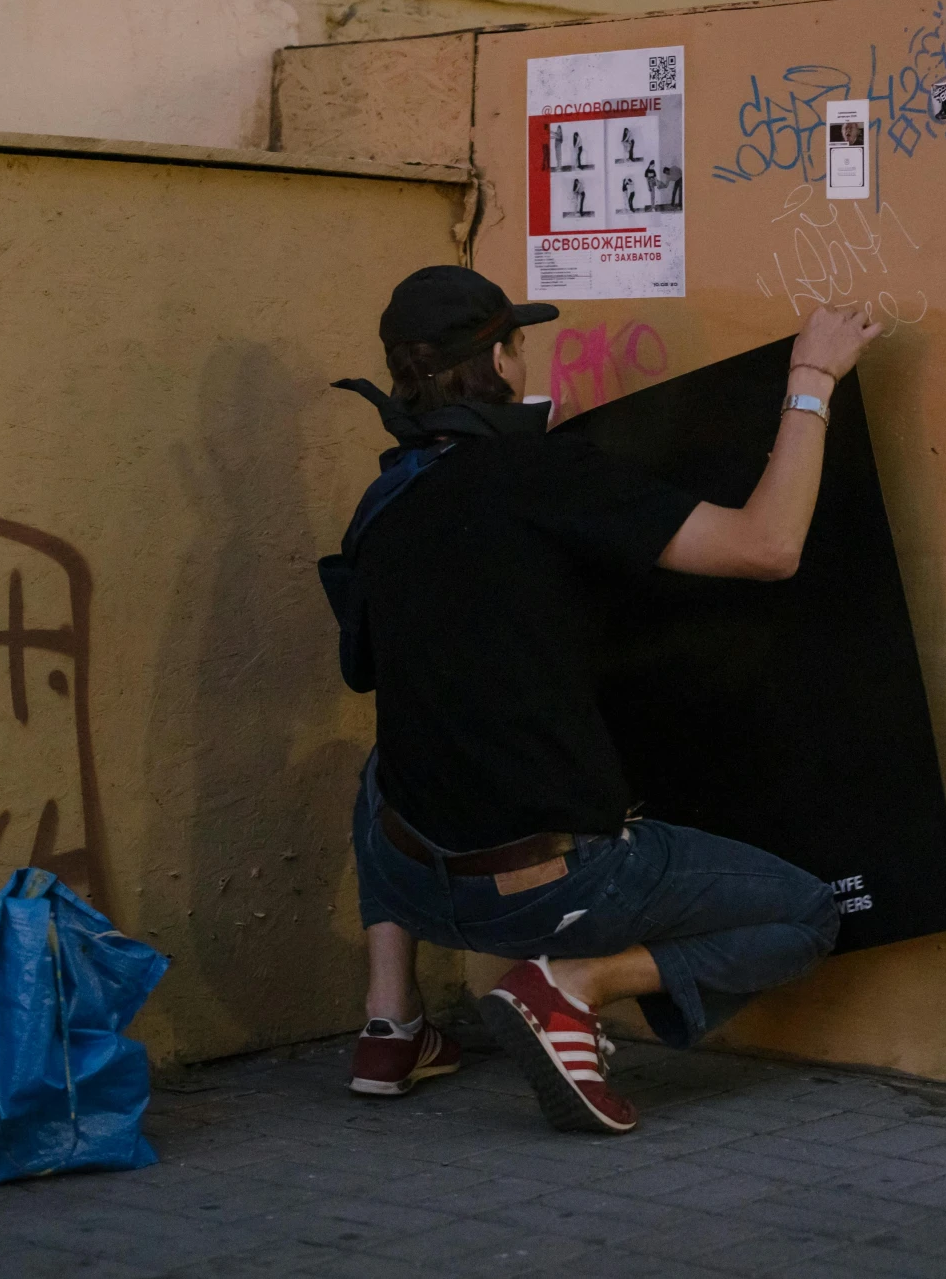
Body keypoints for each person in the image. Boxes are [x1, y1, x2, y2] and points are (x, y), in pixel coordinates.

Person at [324, 265, 882, 1134]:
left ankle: (390, 1025)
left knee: (383, 759)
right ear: (504, 361)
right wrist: (812, 379)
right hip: (547, 895)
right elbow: (767, 544)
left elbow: (366, 667)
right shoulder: (547, 476)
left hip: (414, 874)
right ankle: (568, 988)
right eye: (521, 343)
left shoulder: (383, 502)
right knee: (808, 912)